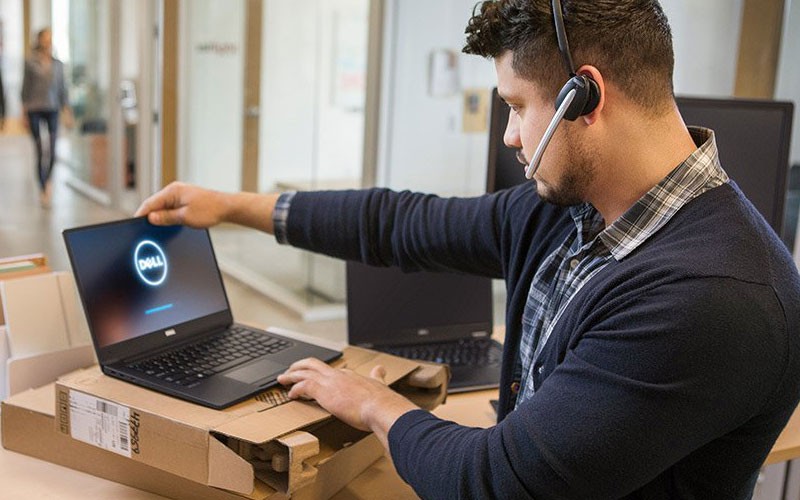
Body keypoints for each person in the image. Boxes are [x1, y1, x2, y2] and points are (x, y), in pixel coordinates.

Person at [136, 0, 800, 498]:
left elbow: (495, 484)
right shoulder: (581, 213)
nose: (512, 136)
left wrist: (373, 405)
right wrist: (231, 208)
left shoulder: (713, 296)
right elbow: (400, 224)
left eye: (516, 105)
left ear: (585, 97)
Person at [21, 27, 72, 207]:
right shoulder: (30, 62)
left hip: (52, 108)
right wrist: (24, 112)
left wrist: (67, 111)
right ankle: (42, 186)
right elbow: (25, 88)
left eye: (51, 38)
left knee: (52, 148)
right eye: (46, 37)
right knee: (40, 149)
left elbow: (62, 89)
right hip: (34, 108)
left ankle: (48, 180)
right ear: (39, 40)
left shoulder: (58, 64)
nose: (48, 41)